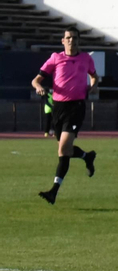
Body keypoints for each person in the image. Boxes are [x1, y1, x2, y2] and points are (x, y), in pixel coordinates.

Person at [31, 28, 98, 204]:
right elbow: (36, 79)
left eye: (74, 38)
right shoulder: (56, 58)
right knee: (65, 149)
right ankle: (87, 156)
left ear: (78, 41)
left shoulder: (86, 58)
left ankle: (53, 191)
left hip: (76, 107)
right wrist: (38, 87)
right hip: (58, 108)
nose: (71, 41)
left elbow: (94, 77)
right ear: (63, 41)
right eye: (68, 38)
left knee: (63, 149)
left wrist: (93, 85)